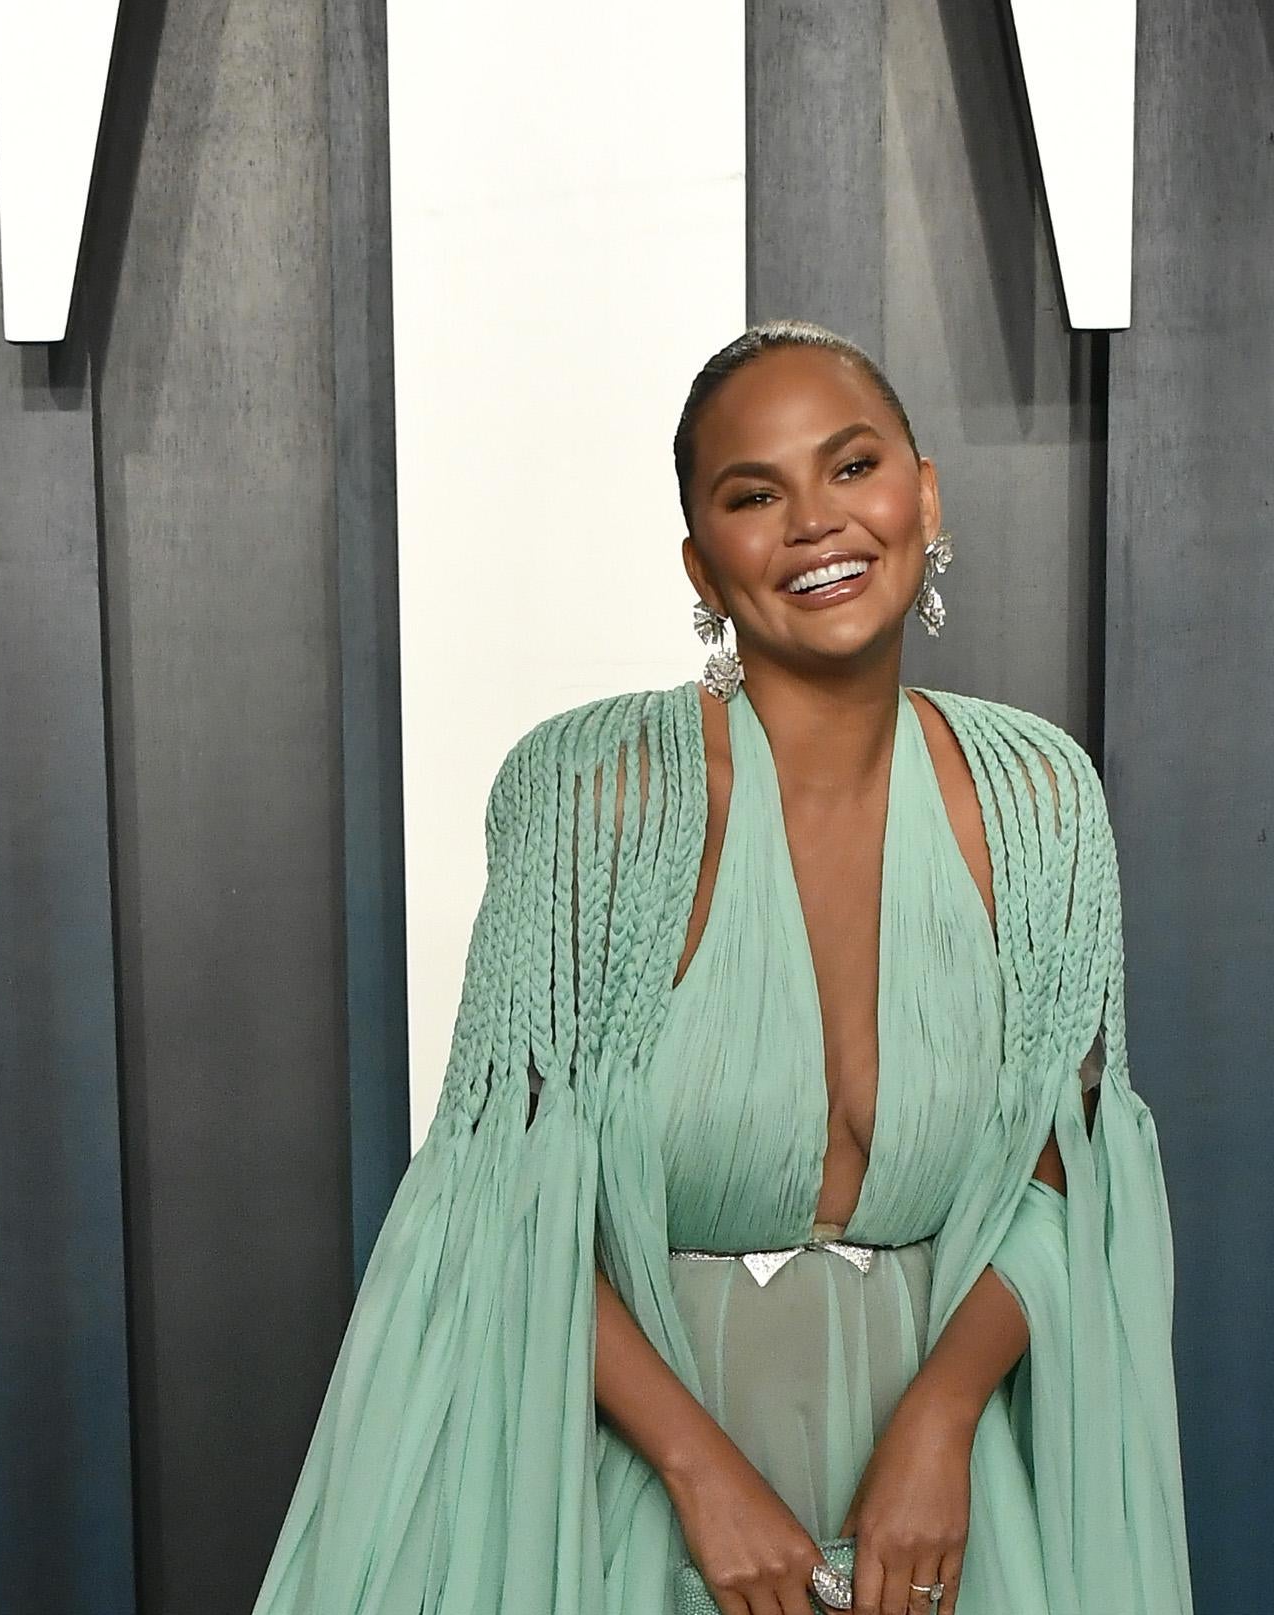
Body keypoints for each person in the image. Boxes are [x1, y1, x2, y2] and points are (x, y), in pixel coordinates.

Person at [247, 320, 1194, 1615]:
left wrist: (945, 1421)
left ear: (925, 495)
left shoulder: (1039, 798)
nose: (815, 521)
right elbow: (495, 1203)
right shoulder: (600, 794)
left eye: (852, 467)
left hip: (944, 1502)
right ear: (702, 558)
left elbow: (1068, 1162)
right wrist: (702, 1475)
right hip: (648, 1480)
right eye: (756, 494)